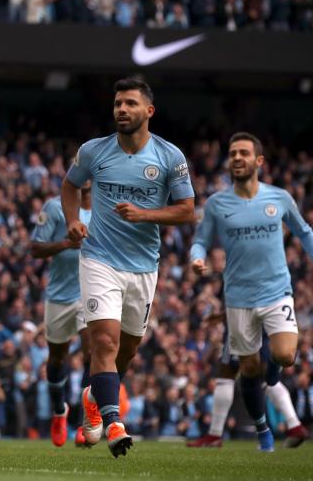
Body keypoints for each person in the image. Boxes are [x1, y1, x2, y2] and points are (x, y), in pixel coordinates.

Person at [62, 77, 195, 457]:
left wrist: (146, 214)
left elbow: (187, 210)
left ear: (148, 111)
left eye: (131, 104)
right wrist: (73, 220)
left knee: (128, 351)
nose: (122, 109)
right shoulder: (94, 151)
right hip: (99, 258)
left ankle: (93, 395)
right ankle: (114, 422)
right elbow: (70, 187)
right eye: (118, 103)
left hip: (143, 267)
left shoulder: (170, 157)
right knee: (104, 341)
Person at [189, 132, 312, 451]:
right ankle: (263, 431)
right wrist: (197, 257)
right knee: (248, 369)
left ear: (258, 161)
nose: (237, 158)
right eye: (232, 153)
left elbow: (304, 232)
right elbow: (201, 239)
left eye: (244, 152)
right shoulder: (217, 203)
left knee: (284, 354)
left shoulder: (279, 198)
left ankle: (273, 383)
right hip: (238, 299)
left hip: (276, 292)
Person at [30, 182, 92, 447]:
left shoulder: (105, 209)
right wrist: (67, 243)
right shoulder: (55, 208)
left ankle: (85, 422)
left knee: (93, 352)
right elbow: (35, 249)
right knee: (57, 357)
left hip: (92, 292)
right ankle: (59, 411)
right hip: (60, 296)